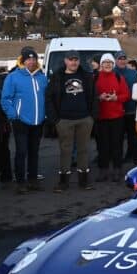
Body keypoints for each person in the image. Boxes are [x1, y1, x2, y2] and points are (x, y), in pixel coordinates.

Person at [45, 50, 96, 191]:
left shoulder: (86, 76)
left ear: (79, 61)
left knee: (83, 150)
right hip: (64, 120)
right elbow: (49, 98)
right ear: (65, 61)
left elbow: (93, 96)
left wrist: (92, 117)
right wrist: (55, 119)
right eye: (71, 59)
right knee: (65, 151)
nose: (73, 62)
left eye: (76, 60)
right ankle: (63, 181)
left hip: (84, 119)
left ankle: (84, 181)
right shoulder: (57, 77)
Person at [0, 47, 48, 193]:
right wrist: (13, 114)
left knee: (34, 151)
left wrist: (45, 114)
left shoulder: (42, 77)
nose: (31, 62)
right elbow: (5, 99)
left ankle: (33, 179)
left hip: (38, 120)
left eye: (34, 59)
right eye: (28, 59)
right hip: (21, 120)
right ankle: (20, 182)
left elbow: (46, 98)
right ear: (23, 60)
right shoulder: (13, 77)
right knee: (21, 151)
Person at [93, 52, 130, 180]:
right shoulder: (95, 78)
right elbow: (90, 97)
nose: (107, 64)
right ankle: (103, 170)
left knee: (117, 145)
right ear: (101, 64)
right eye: (105, 62)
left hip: (117, 117)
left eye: (110, 62)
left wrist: (116, 98)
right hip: (101, 117)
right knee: (102, 145)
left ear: (113, 64)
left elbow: (126, 95)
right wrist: (99, 97)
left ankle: (117, 169)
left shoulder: (119, 78)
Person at [115, 52, 137, 164]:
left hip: (132, 110)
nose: (122, 61)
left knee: (133, 137)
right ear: (116, 60)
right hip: (117, 111)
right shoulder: (112, 72)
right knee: (118, 138)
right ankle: (118, 161)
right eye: (119, 59)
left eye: (124, 59)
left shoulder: (133, 72)